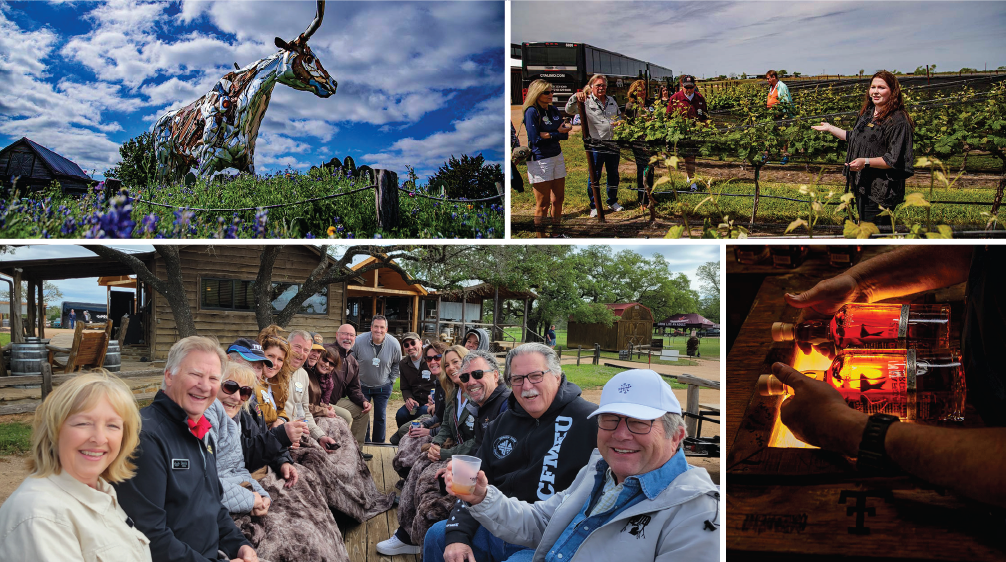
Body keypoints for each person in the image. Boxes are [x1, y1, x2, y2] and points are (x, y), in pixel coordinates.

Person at [770, 245, 1006, 507]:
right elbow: (980, 252)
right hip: (958, 372)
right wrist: (861, 284)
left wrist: (850, 430)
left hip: (977, 448)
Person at [444, 369, 720, 562]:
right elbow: (540, 522)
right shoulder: (599, 472)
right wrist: (480, 496)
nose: (621, 434)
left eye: (639, 422)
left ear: (676, 436)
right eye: (610, 419)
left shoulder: (697, 512)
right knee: (438, 537)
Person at [425, 344, 599, 562]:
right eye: (517, 379)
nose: (526, 386)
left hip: (548, 540)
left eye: (536, 376)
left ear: (557, 376)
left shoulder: (591, 422)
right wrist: (458, 534)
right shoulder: (501, 424)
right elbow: (472, 484)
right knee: (438, 536)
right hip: (495, 523)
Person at [113, 336, 259, 562]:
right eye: (196, 374)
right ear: (169, 376)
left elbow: (214, 504)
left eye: (213, 378)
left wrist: (239, 544)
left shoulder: (201, 431)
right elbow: (148, 536)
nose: (204, 386)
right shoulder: (145, 438)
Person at [0, 370, 151, 560]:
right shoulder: (41, 516)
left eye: (112, 425)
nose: (99, 438)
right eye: (83, 423)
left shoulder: (100, 492)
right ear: (54, 430)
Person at [378, 344, 472, 556]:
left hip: (468, 459)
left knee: (427, 477)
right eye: (447, 363)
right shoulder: (456, 391)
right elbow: (446, 423)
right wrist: (436, 443)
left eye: (455, 362)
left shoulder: (477, 394)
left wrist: (440, 448)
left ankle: (420, 538)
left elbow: (478, 441)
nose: (449, 367)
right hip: (451, 447)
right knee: (420, 461)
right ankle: (407, 533)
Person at [811, 70, 914, 224]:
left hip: (880, 189)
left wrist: (865, 162)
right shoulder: (868, 113)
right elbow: (855, 138)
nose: (876, 92)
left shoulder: (897, 121)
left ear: (893, 91)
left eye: (881, 87)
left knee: (875, 233)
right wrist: (830, 128)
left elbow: (894, 159)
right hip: (862, 185)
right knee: (864, 228)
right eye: (873, 87)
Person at [565, 74, 625, 217]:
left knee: (613, 174)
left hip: (613, 144)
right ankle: (594, 205)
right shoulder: (586, 102)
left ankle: (612, 201)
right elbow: (569, 110)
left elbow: (618, 116)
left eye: (603, 85)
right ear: (591, 87)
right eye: (598, 85)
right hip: (596, 145)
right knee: (594, 175)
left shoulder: (611, 100)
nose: (601, 88)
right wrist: (575, 96)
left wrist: (619, 123)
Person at [522, 78, 572, 237]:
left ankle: (556, 234)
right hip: (540, 159)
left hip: (557, 155)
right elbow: (534, 139)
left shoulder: (554, 110)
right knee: (542, 204)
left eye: (552, 91)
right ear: (537, 94)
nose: (551, 94)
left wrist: (549, 134)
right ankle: (541, 238)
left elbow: (565, 136)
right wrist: (557, 133)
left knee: (558, 199)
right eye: (547, 92)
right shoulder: (531, 111)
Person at [281, 329, 339, 452]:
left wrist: (320, 436)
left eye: (306, 350)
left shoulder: (303, 375)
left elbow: (304, 411)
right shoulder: (275, 371)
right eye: (297, 347)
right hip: (281, 435)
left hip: (300, 433)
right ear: (287, 345)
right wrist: (281, 435)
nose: (301, 353)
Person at [352, 315, 401, 443]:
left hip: (383, 386)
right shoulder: (358, 341)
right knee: (364, 416)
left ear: (386, 329)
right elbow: (351, 361)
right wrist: (355, 379)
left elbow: (397, 363)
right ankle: (365, 442)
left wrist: (392, 380)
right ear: (371, 327)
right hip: (362, 385)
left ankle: (379, 443)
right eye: (376, 327)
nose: (378, 330)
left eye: (382, 327)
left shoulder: (394, 344)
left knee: (380, 416)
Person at [331, 325, 372, 451]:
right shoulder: (327, 352)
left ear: (355, 338)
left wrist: (363, 401)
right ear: (337, 335)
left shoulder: (352, 361)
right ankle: (337, 449)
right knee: (346, 415)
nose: (348, 338)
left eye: (351, 335)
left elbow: (354, 389)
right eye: (345, 334)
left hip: (336, 401)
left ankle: (355, 451)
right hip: (320, 401)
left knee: (363, 411)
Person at [667, 74, 708, 190]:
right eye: (686, 87)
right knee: (689, 157)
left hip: (696, 133)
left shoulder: (699, 98)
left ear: (695, 86)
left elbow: (705, 116)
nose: (689, 90)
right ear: (682, 86)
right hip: (682, 134)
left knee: (692, 157)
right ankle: (693, 183)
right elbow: (668, 117)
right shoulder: (675, 98)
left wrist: (705, 128)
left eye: (691, 87)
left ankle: (690, 176)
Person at [625, 79, 655, 209]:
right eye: (639, 90)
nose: (642, 92)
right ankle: (642, 200)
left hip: (652, 141)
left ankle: (651, 197)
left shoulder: (651, 104)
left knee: (651, 169)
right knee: (642, 170)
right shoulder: (630, 106)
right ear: (633, 92)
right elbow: (629, 126)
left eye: (643, 90)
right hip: (638, 142)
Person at [397, 332, 434, 428]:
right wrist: (409, 399)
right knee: (401, 414)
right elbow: (404, 387)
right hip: (415, 402)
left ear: (421, 343)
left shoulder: (431, 359)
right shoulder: (403, 364)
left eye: (413, 343)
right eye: (406, 345)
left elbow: (442, 383)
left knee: (422, 413)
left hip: (431, 401)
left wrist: (435, 401)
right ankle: (404, 440)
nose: (410, 347)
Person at [764, 70, 792, 164]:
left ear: (774, 77)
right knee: (770, 135)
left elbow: (785, 101)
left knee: (783, 136)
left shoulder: (782, 86)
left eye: (768, 78)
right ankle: (767, 156)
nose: (767, 80)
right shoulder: (771, 87)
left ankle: (785, 156)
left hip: (781, 115)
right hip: (772, 115)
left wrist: (781, 111)